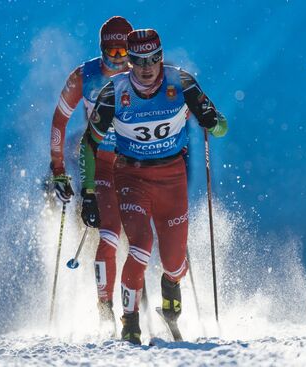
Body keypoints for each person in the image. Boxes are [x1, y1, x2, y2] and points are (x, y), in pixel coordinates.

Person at [80, 29, 228, 344]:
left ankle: (171, 293)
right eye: (138, 60)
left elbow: (221, 126)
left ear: (161, 57)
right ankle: (130, 321)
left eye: (153, 59)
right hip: (131, 177)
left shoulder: (181, 82)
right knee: (140, 247)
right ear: (129, 62)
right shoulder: (114, 92)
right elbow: (89, 143)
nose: (146, 67)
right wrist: (88, 191)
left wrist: (212, 121)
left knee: (175, 264)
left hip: (171, 178)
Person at [49, 16, 133, 333]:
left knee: (137, 231)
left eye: (124, 52)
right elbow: (59, 121)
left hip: (136, 162)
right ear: (101, 52)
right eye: (111, 54)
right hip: (96, 160)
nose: (119, 61)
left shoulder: (145, 70)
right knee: (105, 230)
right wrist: (58, 171)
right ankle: (105, 308)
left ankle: (137, 301)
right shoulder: (84, 76)